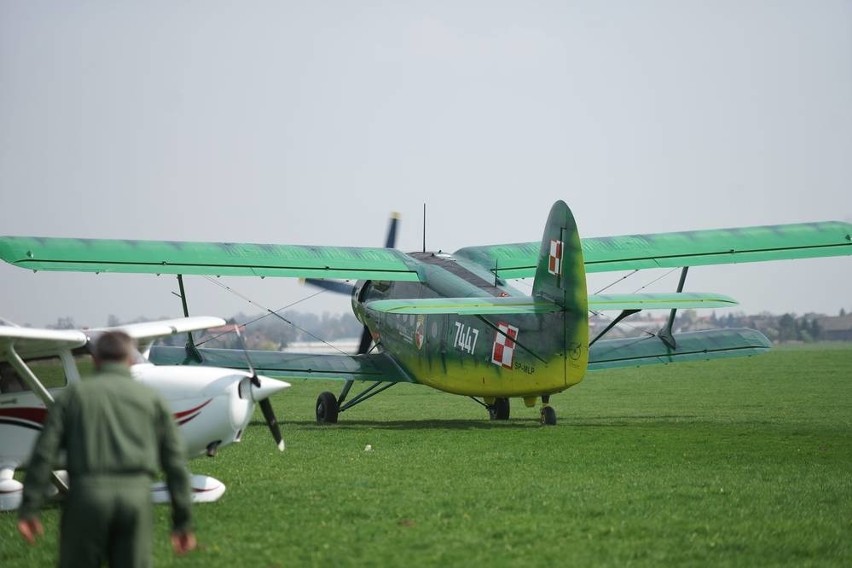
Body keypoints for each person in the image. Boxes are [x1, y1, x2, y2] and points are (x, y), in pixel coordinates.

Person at [17, 330, 197, 567]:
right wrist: (182, 521)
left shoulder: (73, 396)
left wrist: (30, 508)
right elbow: (175, 464)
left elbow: (43, 455)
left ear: (95, 359)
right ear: (131, 359)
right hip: (135, 499)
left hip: (86, 497)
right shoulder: (152, 399)